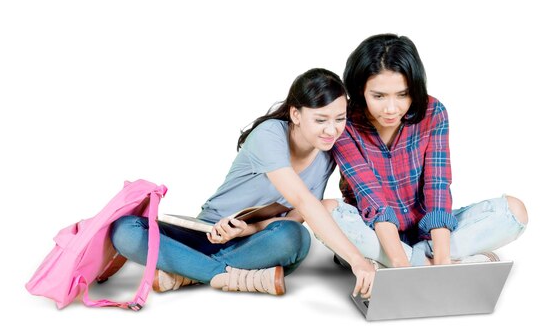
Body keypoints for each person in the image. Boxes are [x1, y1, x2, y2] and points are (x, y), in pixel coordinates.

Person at [111, 68, 376, 297]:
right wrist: (356, 259)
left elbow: (296, 216)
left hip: (256, 242)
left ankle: (189, 272)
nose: (332, 130)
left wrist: (246, 231)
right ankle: (231, 276)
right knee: (125, 230)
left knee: (295, 238)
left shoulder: (327, 153)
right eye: (321, 120)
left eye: (339, 119)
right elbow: (303, 201)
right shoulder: (270, 134)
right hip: (208, 231)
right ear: (296, 114)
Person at [325, 34, 529, 268]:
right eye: (379, 96)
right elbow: (372, 198)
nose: (392, 108)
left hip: (426, 229)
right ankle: (434, 259)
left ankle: (423, 259)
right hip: (374, 230)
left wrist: (442, 261)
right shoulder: (343, 122)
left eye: (402, 94)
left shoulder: (433, 112)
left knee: (514, 211)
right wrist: (401, 267)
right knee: (327, 212)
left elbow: (437, 185)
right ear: (360, 90)